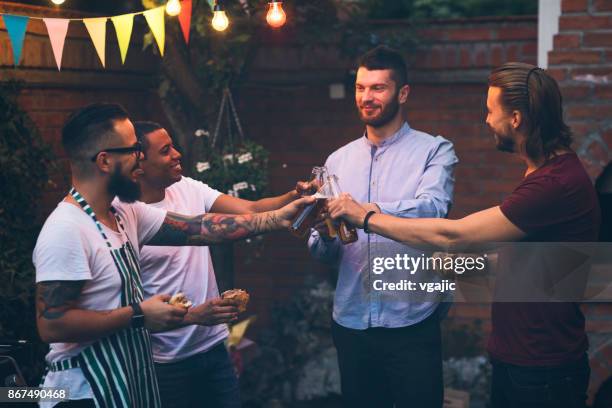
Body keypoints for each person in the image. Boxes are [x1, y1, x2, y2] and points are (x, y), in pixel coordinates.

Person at [328, 62, 600, 408]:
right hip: (524, 357)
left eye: (490, 111)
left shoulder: (554, 184)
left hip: (542, 365)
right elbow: (534, 267)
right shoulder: (548, 174)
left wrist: (366, 216)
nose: (487, 121)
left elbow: (455, 235)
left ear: (516, 119)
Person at [33, 103, 306, 408]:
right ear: (105, 161)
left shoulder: (126, 214)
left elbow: (200, 227)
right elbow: (51, 325)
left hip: (125, 383)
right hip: (82, 392)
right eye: (134, 148)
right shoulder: (66, 229)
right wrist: (138, 314)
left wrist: (279, 218)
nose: (140, 155)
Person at [307, 45, 458, 408]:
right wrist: (324, 230)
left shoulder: (435, 151)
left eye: (378, 88)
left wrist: (366, 212)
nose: (366, 97)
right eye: (360, 88)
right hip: (351, 322)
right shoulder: (336, 160)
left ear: (402, 93)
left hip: (412, 319)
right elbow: (324, 251)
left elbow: (433, 209)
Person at [133, 121, 311, 408]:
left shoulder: (187, 188)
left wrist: (293, 197)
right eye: (165, 151)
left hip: (214, 347)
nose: (178, 154)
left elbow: (250, 209)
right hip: (163, 361)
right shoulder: (126, 215)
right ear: (139, 163)